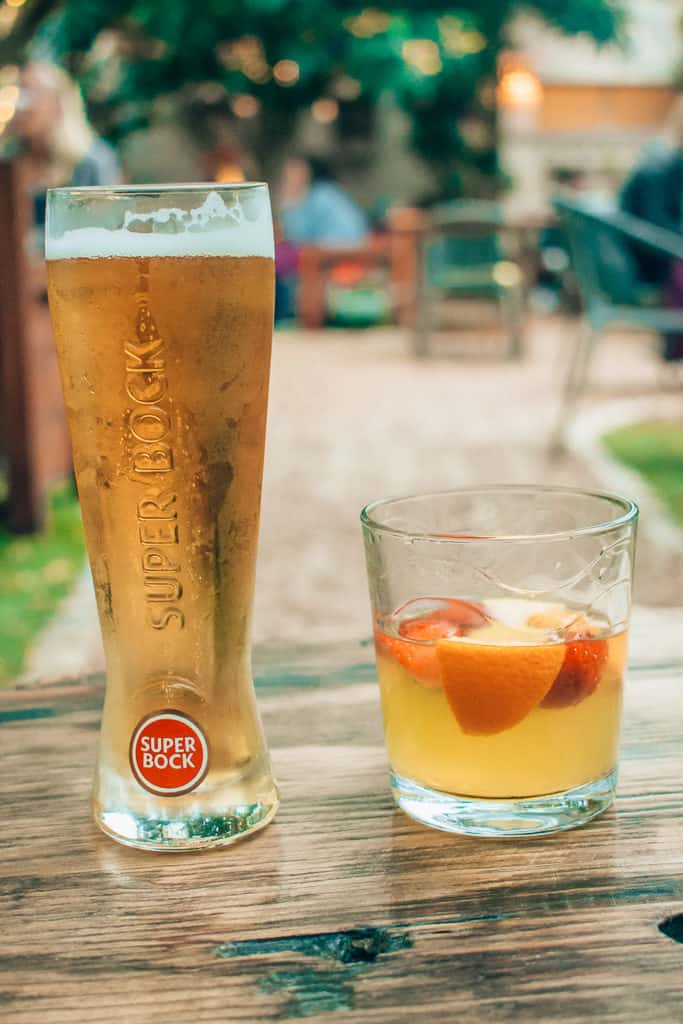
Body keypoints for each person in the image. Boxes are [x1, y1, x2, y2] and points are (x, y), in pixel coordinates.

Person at [5, 62, 121, 224]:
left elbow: (108, 224)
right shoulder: (10, 162)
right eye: (20, 93)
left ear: (58, 102)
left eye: (33, 93)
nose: (23, 105)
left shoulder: (93, 160)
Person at [619, 98, 683, 359]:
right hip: (648, 263)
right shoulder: (658, 169)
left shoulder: (667, 164)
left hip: (659, 255)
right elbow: (657, 226)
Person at [278, 155, 368, 246]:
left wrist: (289, 206)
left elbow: (297, 239)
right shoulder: (325, 191)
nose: (290, 180)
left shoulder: (320, 197)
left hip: (340, 251)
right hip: (355, 247)